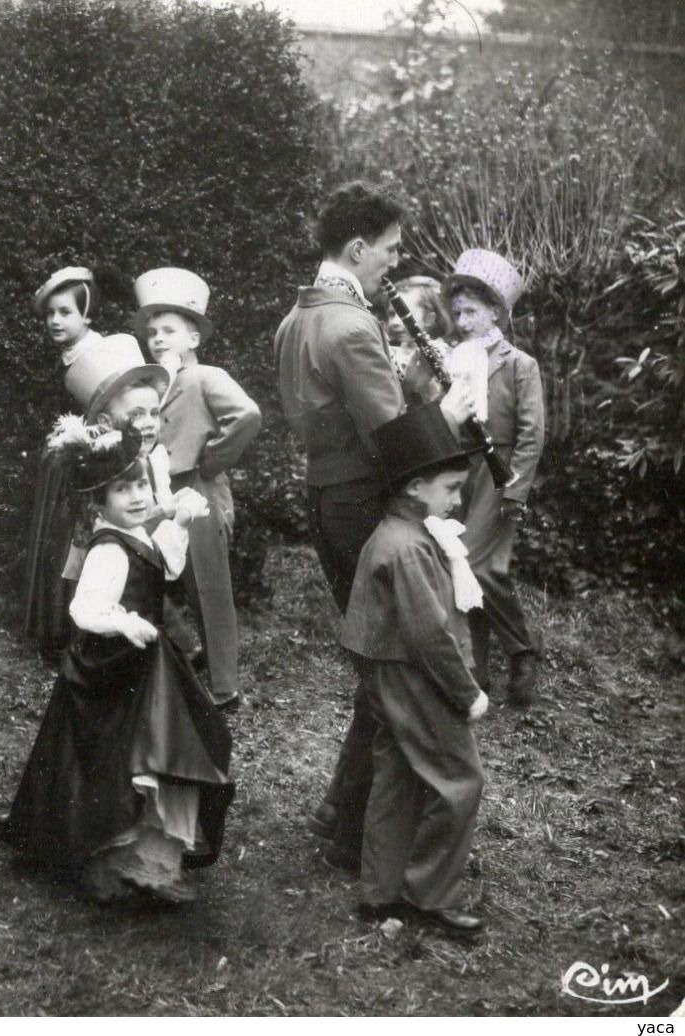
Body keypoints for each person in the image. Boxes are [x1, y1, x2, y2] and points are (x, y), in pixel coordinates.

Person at [272, 181, 475, 872]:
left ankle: (342, 813)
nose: (392, 261)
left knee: (377, 662)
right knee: (391, 663)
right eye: (388, 250)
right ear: (357, 248)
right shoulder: (350, 325)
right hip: (362, 502)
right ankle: (360, 829)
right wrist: (442, 407)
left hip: (329, 497)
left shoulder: (300, 317)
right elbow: (392, 441)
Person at [7, 418, 234, 904]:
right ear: (97, 501)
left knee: (180, 740)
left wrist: (179, 522)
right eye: (121, 490)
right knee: (121, 758)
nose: (135, 497)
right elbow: (84, 609)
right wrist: (122, 622)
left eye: (139, 485)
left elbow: (165, 567)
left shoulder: (139, 535)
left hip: (148, 663)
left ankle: (151, 859)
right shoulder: (106, 549)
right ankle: (111, 855)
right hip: (112, 668)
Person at [345, 403, 490, 934]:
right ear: (413, 487)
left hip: (387, 669)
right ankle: (429, 896)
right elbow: (430, 634)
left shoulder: (400, 533)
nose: (457, 500)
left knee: (400, 773)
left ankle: (380, 891)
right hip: (412, 674)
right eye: (451, 488)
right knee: (459, 778)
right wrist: (466, 691)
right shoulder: (408, 548)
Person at [133, 268, 263, 710]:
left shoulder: (206, 376)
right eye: (152, 332)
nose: (159, 338)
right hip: (160, 490)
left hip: (200, 491)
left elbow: (247, 416)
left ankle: (224, 688)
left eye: (169, 330)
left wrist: (213, 459)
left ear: (193, 339)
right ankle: (187, 647)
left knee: (208, 585)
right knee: (148, 570)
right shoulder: (151, 383)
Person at [21, 267, 145, 659]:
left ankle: (77, 631)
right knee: (60, 542)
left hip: (99, 465)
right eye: (49, 315)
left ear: (86, 316)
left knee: (81, 545)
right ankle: (55, 627)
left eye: (64, 313)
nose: (55, 321)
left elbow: (121, 417)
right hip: (70, 460)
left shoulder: (103, 353)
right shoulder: (65, 356)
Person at [445, 249, 545, 704]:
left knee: (483, 566)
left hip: (497, 473)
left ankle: (522, 651)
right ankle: (476, 670)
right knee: (460, 566)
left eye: (471, 312)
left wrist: (516, 489)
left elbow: (532, 432)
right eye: (458, 312)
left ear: (494, 312)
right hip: (458, 471)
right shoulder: (454, 357)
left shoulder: (520, 364)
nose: (463, 321)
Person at [385, 274, 454, 405]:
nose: (395, 322)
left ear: (429, 319)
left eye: (402, 314)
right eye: (391, 314)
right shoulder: (390, 355)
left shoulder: (447, 354)